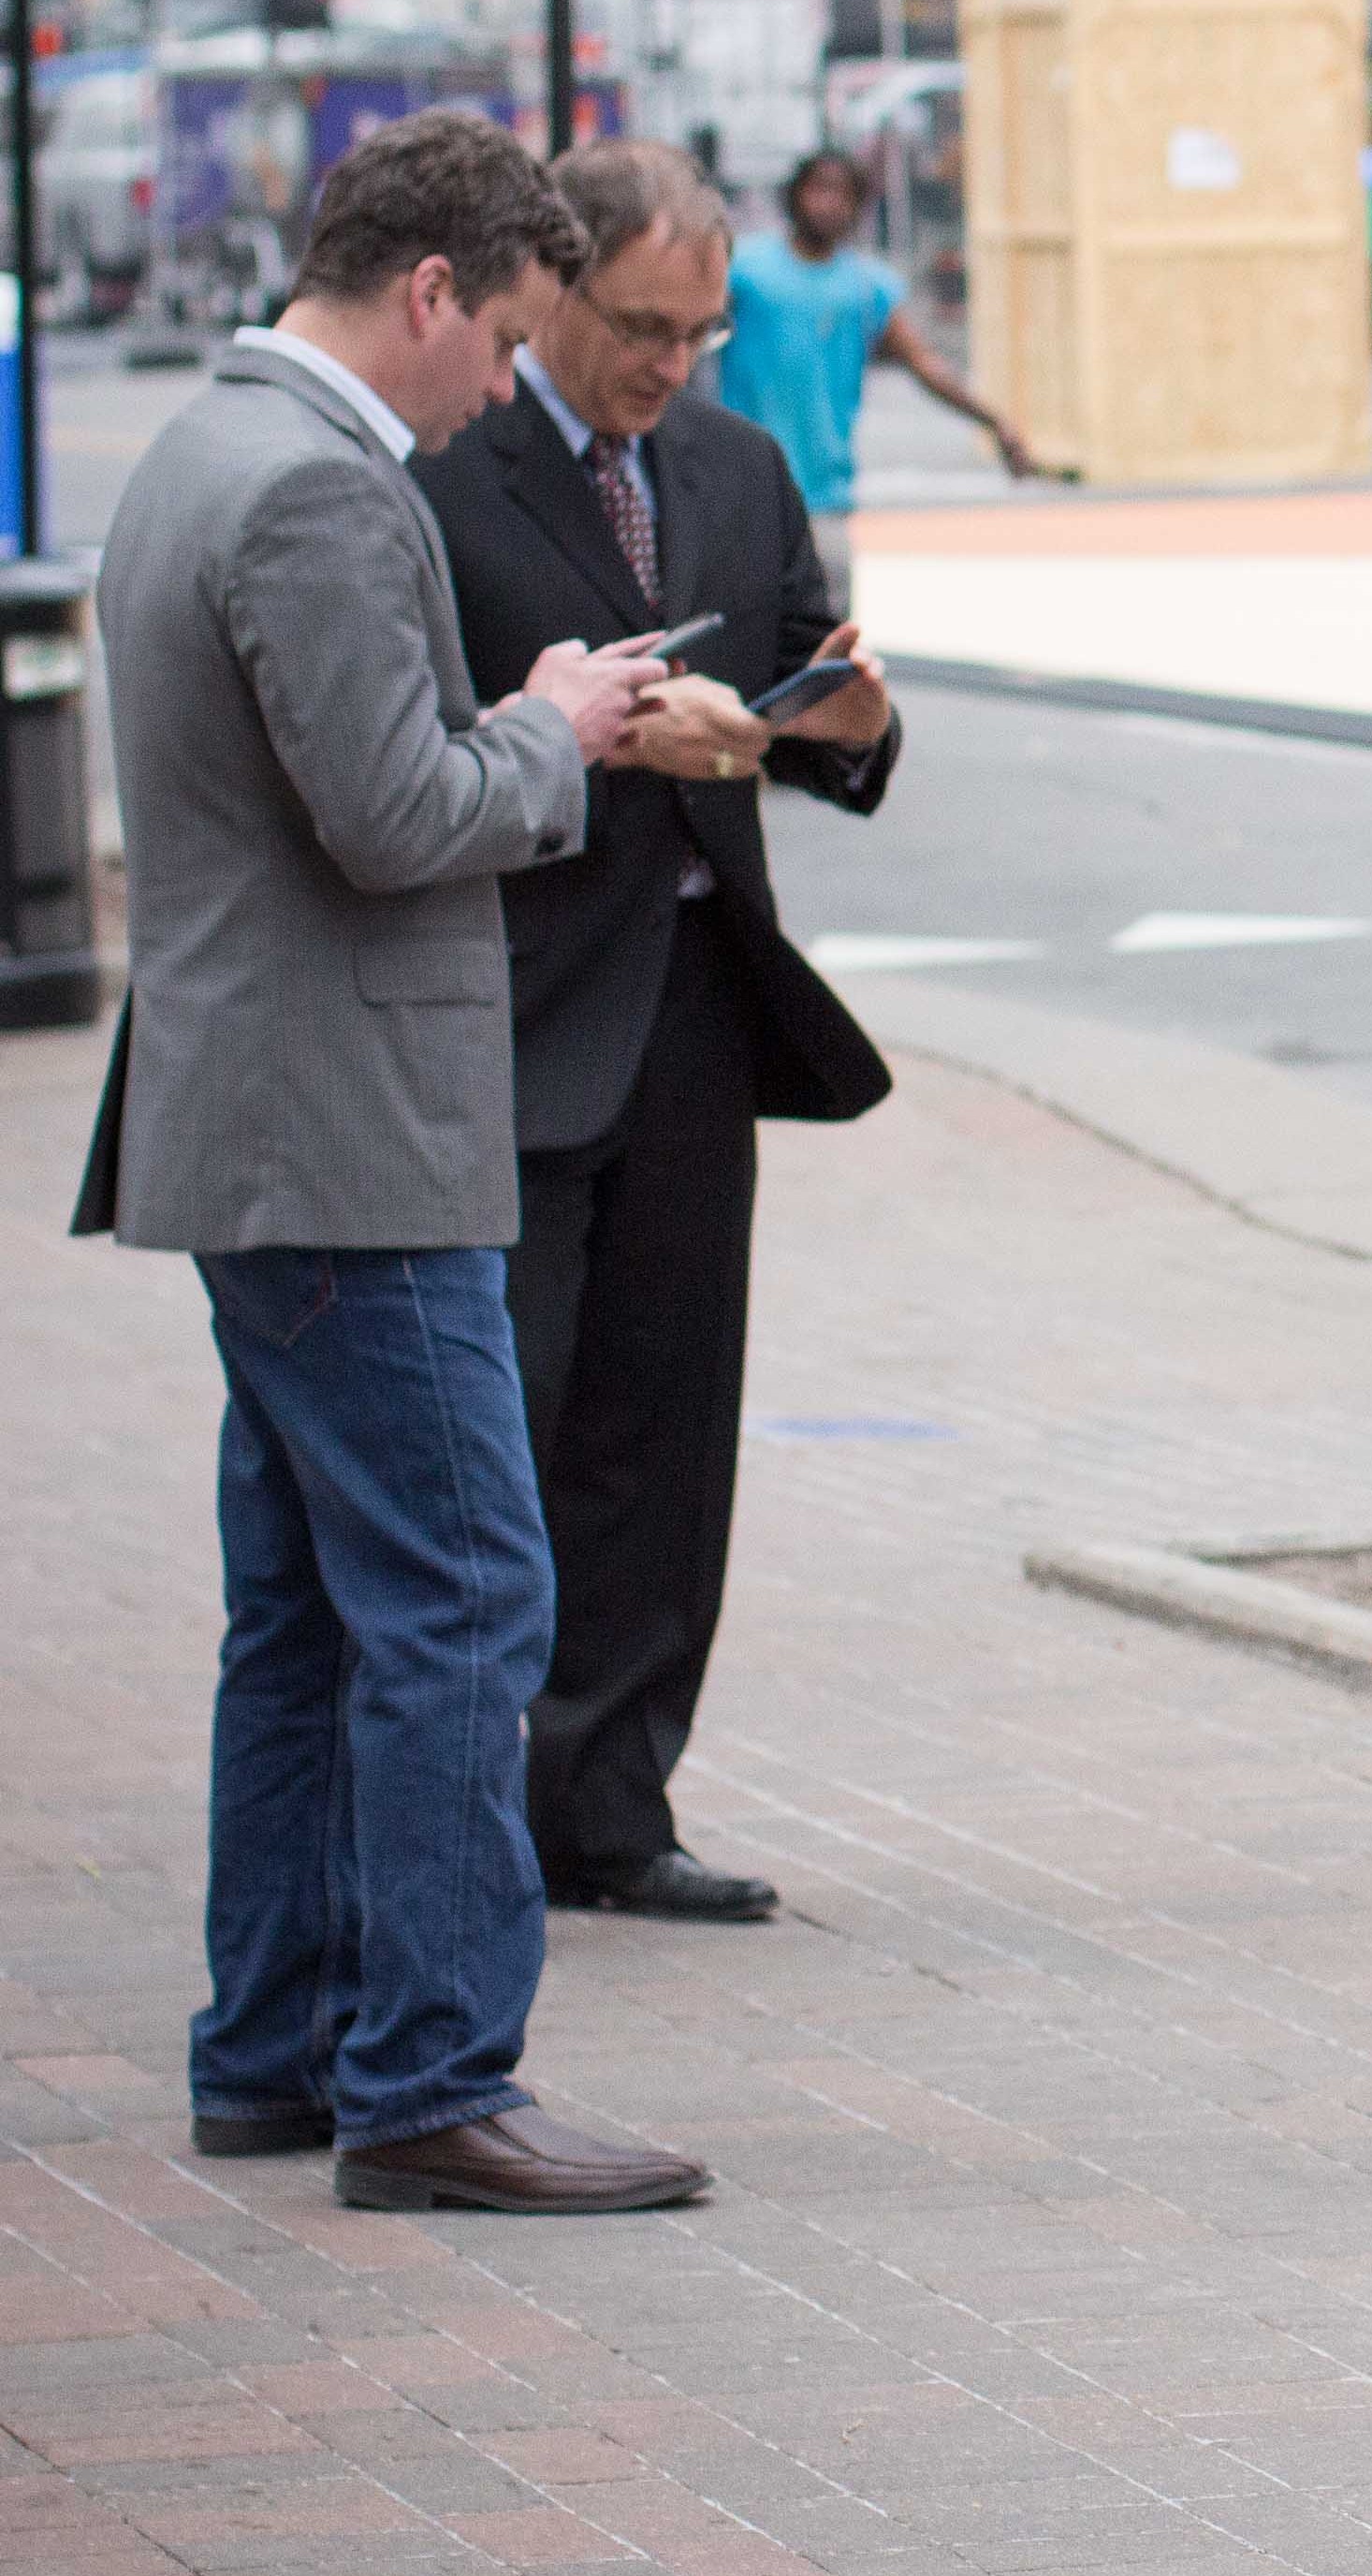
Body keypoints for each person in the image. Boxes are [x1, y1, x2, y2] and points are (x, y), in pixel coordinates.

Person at [73, 105, 712, 2213]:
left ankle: (273, 2048)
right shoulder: (321, 493)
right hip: (352, 1141)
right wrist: (557, 727)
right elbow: (402, 817)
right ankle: (432, 2077)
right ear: (431, 292)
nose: (497, 396)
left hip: (262, 1127)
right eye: (504, 341)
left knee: (310, 1615)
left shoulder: (202, 448)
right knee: (460, 1599)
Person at [416, 137, 902, 1926]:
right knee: (504, 1443)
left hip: (699, 1011)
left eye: (698, 333)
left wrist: (838, 717)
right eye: (640, 326)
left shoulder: (733, 461)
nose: (667, 366)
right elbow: (406, 743)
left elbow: (813, 696)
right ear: (550, 289)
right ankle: (472, 1816)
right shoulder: (444, 467)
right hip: (517, 1010)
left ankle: (611, 1810)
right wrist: (597, 736)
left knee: (665, 1425)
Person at [716, 144, 1030, 604]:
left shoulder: (867, 287)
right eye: (818, 189)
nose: (828, 203)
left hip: (823, 498)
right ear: (795, 196)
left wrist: (995, 421)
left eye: (843, 193)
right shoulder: (746, 270)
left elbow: (924, 363)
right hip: (743, 494)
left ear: (859, 207)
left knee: (826, 648)